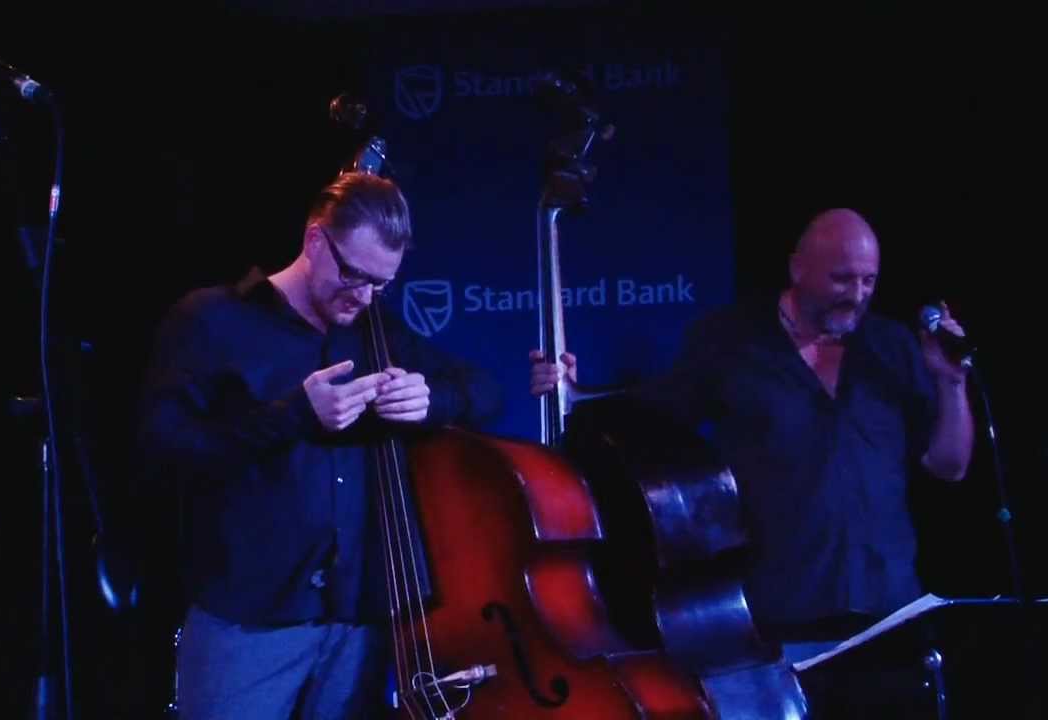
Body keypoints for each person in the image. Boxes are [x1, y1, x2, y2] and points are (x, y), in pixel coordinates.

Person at [530, 208, 974, 662]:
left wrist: (951, 381)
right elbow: (648, 417)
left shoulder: (890, 345)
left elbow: (950, 465)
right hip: (783, 622)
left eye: (869, 281)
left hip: (892, 616)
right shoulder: (732, 341)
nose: (856, 296)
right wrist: (574, 391)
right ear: (798, 268)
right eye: (842, 279)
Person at [137, 171, 502, 719]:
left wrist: (433, 400)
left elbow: (485, 389)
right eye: (354, 275)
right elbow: (163, 451)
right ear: (314, 240)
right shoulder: (211, 321)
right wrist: (294, 418)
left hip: (359, 625)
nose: (364, 297)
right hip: (249, 622)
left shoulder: (377, 328)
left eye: (382, 283)